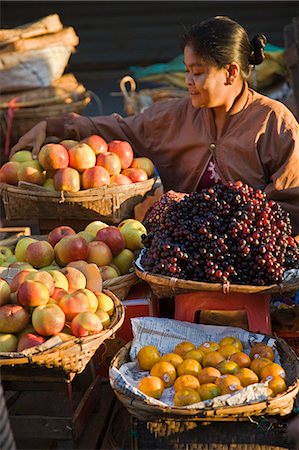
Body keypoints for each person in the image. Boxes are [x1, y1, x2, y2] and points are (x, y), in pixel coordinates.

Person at [10, 16, 299, 241]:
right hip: (182, 257)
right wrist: (53, 125)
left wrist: (229, 223)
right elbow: (117, 129)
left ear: (231, 72)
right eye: (186, 71)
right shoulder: (173, 116)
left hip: (247, 263)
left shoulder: (274, 123)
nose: (188, 80)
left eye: (197, 73)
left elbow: (290, 207)